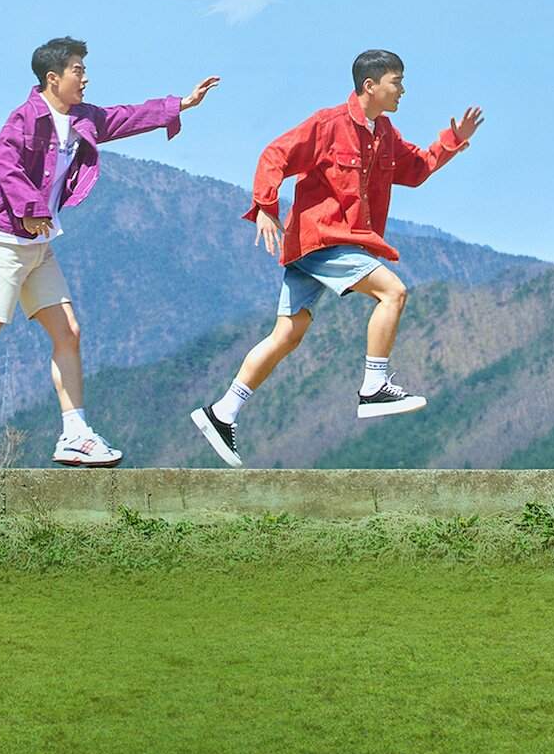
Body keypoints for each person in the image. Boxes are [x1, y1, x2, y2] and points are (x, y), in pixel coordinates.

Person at [0, 37, 218, 466]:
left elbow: (124, 116)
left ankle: (75, 433)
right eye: (78, 70)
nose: (85, 78)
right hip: (5, 242)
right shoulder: (26, 118)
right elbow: (4, 161)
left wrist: (181, 104)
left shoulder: (83, 117)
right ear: (53, 78)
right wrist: (32, 208)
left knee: (68, 332)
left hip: (38, 246)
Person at [190, 48, 483, 468]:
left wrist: (451, 142)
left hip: (322, 246)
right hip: (324, 239)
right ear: (370, 85)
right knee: (393, 293)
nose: (403, 90)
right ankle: (374, 385)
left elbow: (416, 169)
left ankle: (222, 413)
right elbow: (276, 155)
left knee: (286, 335)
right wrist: (266, 207)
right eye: (397, 81)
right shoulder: (328, 124)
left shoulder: (385, 134)